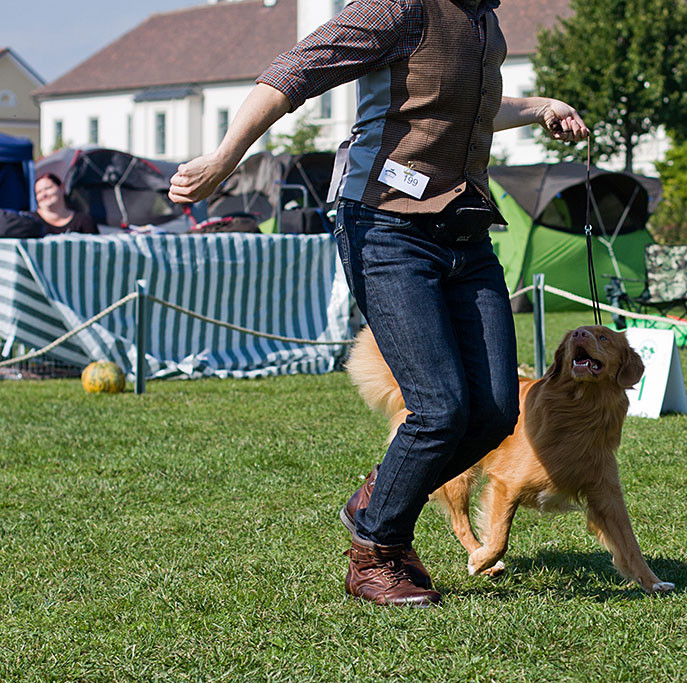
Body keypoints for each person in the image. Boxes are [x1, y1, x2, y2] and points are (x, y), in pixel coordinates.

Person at [169, 0, 589, 608]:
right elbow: (292, 72)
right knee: (441, 407)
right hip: (384, 226)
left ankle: (382, 493)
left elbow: (469, 106)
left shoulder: (483, 19)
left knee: (497, 409)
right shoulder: (399, 7)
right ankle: (377, 550)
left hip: (464, 232)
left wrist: (541, 108)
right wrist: (224, 159)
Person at [33, 174, 98, 235]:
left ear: (62, 188)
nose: (44, 194)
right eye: (39, 192)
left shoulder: (83, 221)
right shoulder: (30, 221)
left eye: (48, 188)